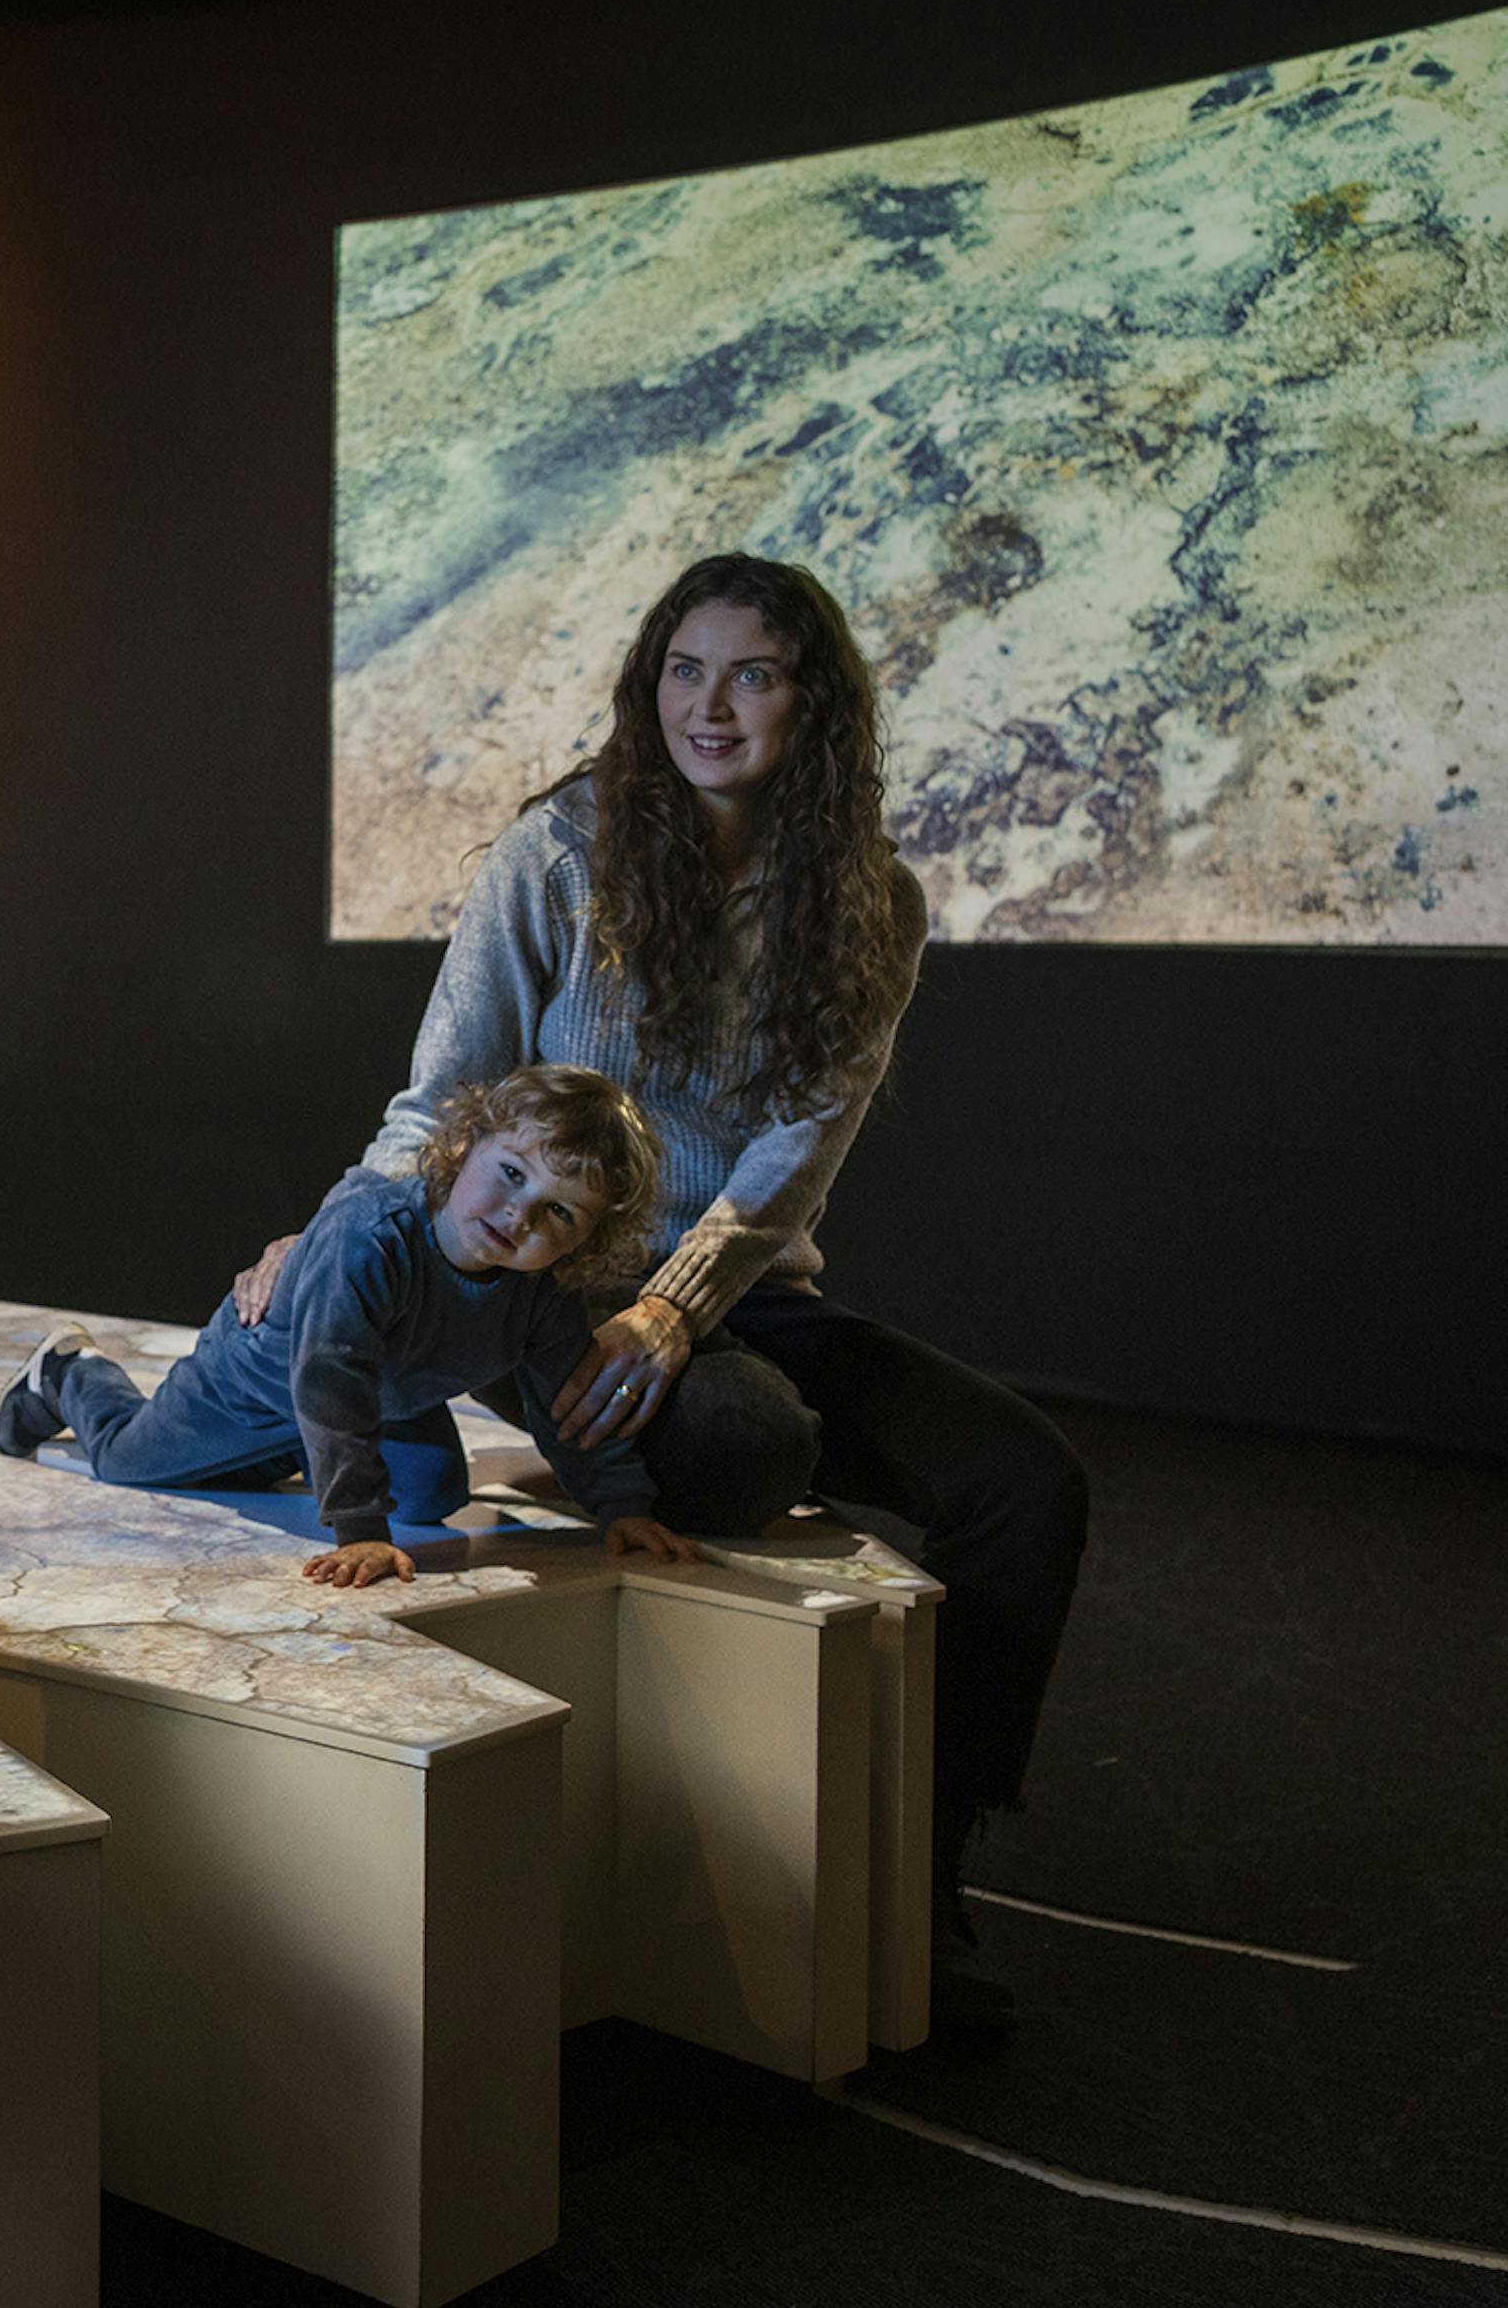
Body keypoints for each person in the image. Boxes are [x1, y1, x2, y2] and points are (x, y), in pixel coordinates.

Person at [232, 551, 1089, 2039]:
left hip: (738, 1283)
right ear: (649, 688)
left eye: (754, 674)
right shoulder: (558, 853)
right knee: (747, 1443)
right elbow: (444, 1093)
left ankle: (926, 1876)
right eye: (685, 670)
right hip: (551, 1285)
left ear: (814, 704)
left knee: (1027, 1483)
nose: (712, 705)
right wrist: (340, 1233)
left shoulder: (872, 899)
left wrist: (679, 1309)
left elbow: (794, 1159)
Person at [0, 1064, 680, 1591]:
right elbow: (329, 1379)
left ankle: (309, 1448)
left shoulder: (545, 1294)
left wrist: (622, 1506)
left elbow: (567, 1404)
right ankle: (68, 1372)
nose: (519, 1214)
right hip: (260, 1378)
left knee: (433, 1495)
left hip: (385, 1397)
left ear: (587, 1241)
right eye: (510, 1172)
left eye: (560, 1212)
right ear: (464, 1142)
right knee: (124, 1461)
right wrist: (359, 1528)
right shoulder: (368, 1239)